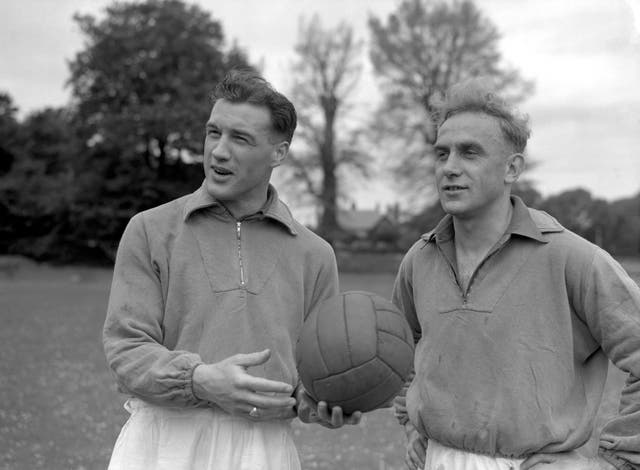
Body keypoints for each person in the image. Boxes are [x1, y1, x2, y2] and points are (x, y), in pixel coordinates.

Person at [103, 70, 359, 470]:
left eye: (240, 139)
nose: (218, 151)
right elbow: (126, 350)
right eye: (213, 133)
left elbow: (312, 376)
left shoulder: (316, 254)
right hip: (163, 445)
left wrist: (324, 403)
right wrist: (200, 380)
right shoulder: (149, 230)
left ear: (278, 153)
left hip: (265, 451)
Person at [392, 78, 640, 470]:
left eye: (469, 152)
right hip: (434, 460)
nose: (450, 167)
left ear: (512, 168)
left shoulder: (573, 258)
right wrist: (411, 424)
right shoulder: (419, 260)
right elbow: (400, 349)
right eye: (442, 154)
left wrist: (609, 463)